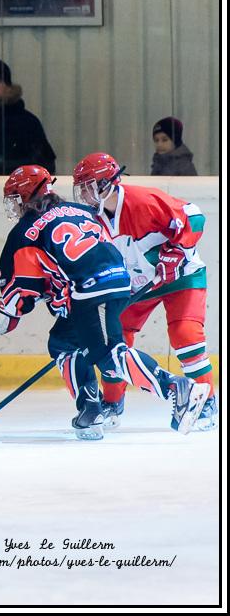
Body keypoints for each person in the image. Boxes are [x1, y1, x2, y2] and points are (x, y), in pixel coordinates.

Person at [0, 165, 209, 440]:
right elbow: (71, 259)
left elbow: (23, 286)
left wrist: (4, 313)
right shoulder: (84, 211)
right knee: (62, 343)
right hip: (116, 282)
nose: (15, 208)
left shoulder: (25, 231)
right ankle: (90, 409)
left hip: (90, 292)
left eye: (15, 200)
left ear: (26, 197)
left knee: (108, 354)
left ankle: (175, 387)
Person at [72, 152, 216, 430]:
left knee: (185, 334)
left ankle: (206, 399)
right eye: (82, 187)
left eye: (89, 186)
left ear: (108, 183)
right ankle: (112, 401)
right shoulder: (92, 218)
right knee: (115, 341)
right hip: (138, 285)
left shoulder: (142, 201)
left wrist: (177, 251)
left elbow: (194, 218)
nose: (85, 194)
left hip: (180, 277)